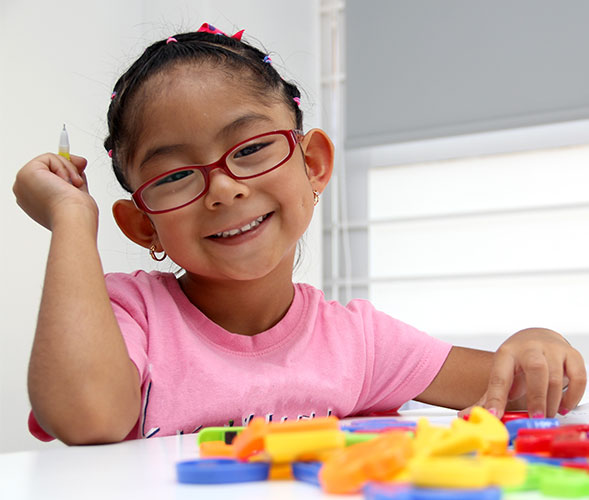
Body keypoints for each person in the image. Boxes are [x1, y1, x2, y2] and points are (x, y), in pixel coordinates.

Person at [13, 23, 586, 445]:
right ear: (143, 225)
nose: (224, 189)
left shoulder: (359, 343)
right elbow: (85, 418)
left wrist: (539, 344)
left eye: (253, 148)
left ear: (312, 164)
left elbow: (527, 393)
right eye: (177, 175)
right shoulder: (130, 316)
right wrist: (71, 221)